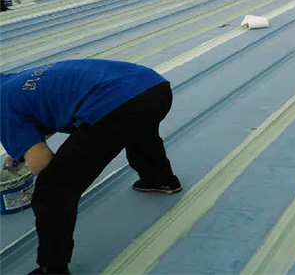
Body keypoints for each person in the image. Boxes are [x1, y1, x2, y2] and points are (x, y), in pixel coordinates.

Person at [0, 59, 181, 275]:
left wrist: (51, 177)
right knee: (139, 130)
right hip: (152, 86)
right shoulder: (11, 81)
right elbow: (41, 108)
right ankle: (160, 179)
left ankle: (52, 268)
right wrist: (21, 145)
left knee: (52, 191)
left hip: (117, 104)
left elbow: (43, 162)